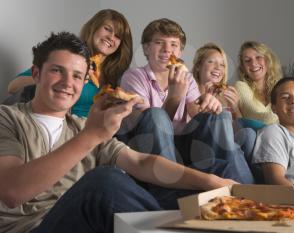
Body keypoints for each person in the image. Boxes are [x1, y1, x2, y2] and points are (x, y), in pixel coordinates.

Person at [0, 32, 240, 233]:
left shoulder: (81, 125)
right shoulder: (7, 118)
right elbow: (12, 191)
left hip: (90, 224)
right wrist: (92, 135)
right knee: (105, 180)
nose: (67, 82)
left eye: (76, 76)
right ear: (36, 74)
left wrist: (213, 182)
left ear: (85, 82)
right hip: (34, 227)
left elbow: (141, 161)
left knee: (213, 172)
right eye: (57, 71)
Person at [119, 18, 254, 183]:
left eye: (174, 44)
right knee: (155, 115)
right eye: (159, 42)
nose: (167, 50)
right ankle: (168, 189)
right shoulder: (134, 76)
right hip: (151, 149)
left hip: (184, 145)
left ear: (180, 52)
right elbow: (148, 126)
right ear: (146, 49)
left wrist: (208, 103)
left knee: (218, 115)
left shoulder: (188, 78)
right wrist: (174, 97)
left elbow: (195, 113)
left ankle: (241, 190)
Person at [6, 9, 133, 117]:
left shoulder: (119, 76)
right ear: (94, 28)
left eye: (117, 36)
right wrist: (59, 78)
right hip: (65, 129)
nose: (111, 37)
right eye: (107, 29)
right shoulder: (68, 57)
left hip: (98, 134)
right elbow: (13, 87)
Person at [235, 41, 294, 130]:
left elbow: (292, 116)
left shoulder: (280, 86)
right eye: (247, 60)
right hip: (261, 138)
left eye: (258, 57)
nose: (253, 63)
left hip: (284, 134)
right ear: (243, 68)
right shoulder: (240, 86)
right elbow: (264, 120)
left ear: (268, 61)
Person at [192, 42, 256, 162]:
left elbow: (239, 130)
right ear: (198, 66)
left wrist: (236, 109)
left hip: (228, 146)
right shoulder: (190, 90)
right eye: (211, 62)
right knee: (221, 116)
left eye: (222, 65)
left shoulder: (227, 95)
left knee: (249, 133)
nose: (218, 68)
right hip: (200, 144)